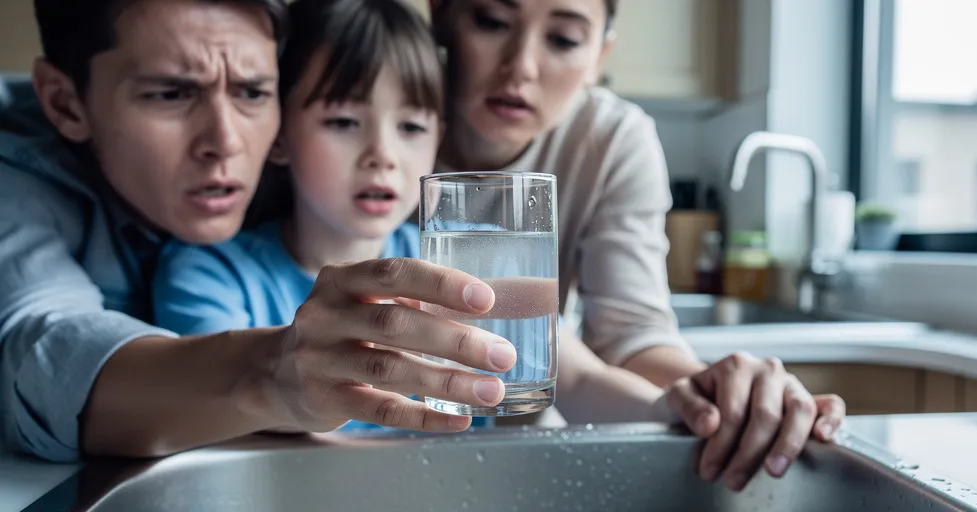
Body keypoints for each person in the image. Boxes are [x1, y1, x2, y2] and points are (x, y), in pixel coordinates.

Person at [150, 0, 718, 435]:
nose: (383, 154)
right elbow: (232, 420)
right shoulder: (208, 276)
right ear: (277, 133)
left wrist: (674, 405)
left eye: (412, 128)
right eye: (344, 122)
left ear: (436, 141)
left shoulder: (463, 263)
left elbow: (577, 378)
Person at [0, 0, 523, 463]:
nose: (226, 142)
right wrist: (275, 376)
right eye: (170, 94)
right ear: (66, 103)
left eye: (252, 92)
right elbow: (44, 351)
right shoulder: (18, 182)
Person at [429, 0, 846, 491]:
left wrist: (723, 398)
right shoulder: (369, 108)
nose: (521, 66)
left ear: (600, 57)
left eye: (563, 39)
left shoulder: (612, 139)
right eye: (492, 22)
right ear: (442, 17)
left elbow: (629, 334)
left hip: (515, 459)